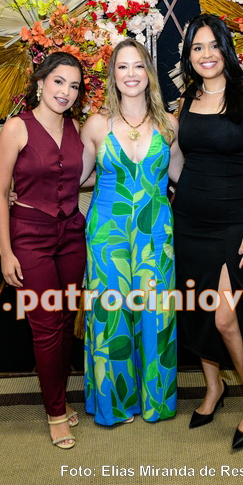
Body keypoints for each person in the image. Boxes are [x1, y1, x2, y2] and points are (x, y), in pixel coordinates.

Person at [173, 14, 243, 449]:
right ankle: (214, 388)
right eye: (197, 47)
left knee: (224, 316)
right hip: (188, 220)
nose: (206, 54)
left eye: (214, 45)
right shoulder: (188, 99)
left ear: (226, 49)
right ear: (189, 56)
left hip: (235, 221)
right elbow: (177, 162)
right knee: (198, 310)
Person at [79, 39, 184, 426]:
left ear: (149, 73)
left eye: (138, 65)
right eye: (122, 67)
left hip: (156, 233)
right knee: (112, 316)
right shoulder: (97, 125)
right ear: (113, 75)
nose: (131, 74)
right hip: (108, 233)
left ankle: (157, 401)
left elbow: (182, 176)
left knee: (157, 314)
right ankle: (116, 404)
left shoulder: (169, 125)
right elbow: (76, 178)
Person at [0, 52, 87, 449]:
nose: (66, 91)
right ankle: (55, 412)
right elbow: (0, 194)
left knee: (65, 322)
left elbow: (82, 176)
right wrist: (6, 252)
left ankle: (58, 395)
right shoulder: (17, 127)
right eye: (59, 81)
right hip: (30, 236)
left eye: (74, 86)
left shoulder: (77, 127)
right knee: (46, 325)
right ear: (41, 81)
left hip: (72, 236)